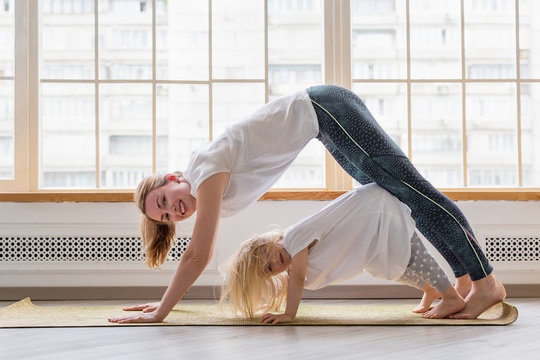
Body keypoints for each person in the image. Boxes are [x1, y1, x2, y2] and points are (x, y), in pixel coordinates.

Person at [107, 85, 505, 325]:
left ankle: (486, 282)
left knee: (413, 190)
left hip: (326, 108)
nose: (172, 211)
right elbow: (196, 251)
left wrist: (162, 309)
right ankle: (463, 281)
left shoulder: (204, 173)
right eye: (164, 216)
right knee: (404, 194)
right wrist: (164, 302)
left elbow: (198, 254)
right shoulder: (205, 180)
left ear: (173, 178)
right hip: (324, 122)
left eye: (164, 200)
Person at [220, 184, 465, 322]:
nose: (275, 260)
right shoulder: (295, 260)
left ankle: (451, 296)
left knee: (415, 257)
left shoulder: (294, 238)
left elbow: (296, 280)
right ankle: (430, 289)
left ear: (270, 240)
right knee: (390, 266)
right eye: (270, 268)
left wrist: (289, 314)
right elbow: (295, 280)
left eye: (267, 253)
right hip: (369, 226)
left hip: (376, 209)